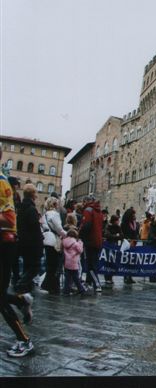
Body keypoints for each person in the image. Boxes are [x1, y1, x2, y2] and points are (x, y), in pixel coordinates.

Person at [0, 147, 34, 357]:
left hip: (4, 245)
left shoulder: (1, 182)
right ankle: (21, 300)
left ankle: (25, 340)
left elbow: (9, 219)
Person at [15, 184, 43, 295]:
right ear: (33, 194)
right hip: (32, 243)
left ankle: (26, 288)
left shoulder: (21, 207)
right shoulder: (31, 209)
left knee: (27, 265)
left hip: (23, 241)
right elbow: (34, 227)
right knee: (35, 266)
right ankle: (21, 284)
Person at [41, 197, 66, 295]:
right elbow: (59, 229)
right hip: (53, 240)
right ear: (54, 205)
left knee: (50, 264)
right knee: (55, 265)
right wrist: (68, 234)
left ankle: (48, 285)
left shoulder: (45, 214)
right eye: (57, 204)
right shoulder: (54, 214)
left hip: (46, 239)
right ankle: (54, 287)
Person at [79, 195, 104, 293]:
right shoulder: (99, 211)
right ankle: (88, 282)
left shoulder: (88, 210)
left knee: (91, 264)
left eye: (83, 202)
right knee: (92, 263)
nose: (82, 204)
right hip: (97, 240)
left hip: (90, 240)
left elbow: (86, 225)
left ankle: (97, 284)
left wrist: (80, 235)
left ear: (86, 201)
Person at [61, 226, 87, 296]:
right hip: (74, 263)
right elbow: (80, 250)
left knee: (68, 278)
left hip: (67, 262)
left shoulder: (64, 241)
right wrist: (81, 243)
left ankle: (66, 291)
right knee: (76, 277)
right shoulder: (75, 243)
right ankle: (81, 290)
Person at [120, 207, 139, 284]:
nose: (134, 216)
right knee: (126, 261)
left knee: (132, 261)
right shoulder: (124, 224)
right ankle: (126, 276)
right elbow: (123, 234)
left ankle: (130, 276)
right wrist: (128, 240)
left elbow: (136, 233)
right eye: (133, 214)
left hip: (133, 243)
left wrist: (135, 239)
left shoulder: (135, 223)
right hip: (127, 243)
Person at [103, 215, 123, 286]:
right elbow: (107, 235)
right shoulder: (108, 226)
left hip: (115, 246)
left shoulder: (118, 227)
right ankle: (107, 277)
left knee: (113, 262)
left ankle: (110, 277)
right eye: (117, 220)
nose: (118, 222)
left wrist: (116, 236)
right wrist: (116, 236)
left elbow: (121, 235)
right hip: (108, 245)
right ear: (114, 221)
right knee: (108, 261)